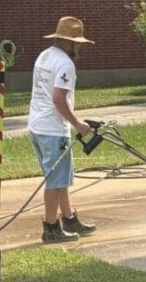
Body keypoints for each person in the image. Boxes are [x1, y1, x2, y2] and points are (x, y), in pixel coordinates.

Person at [27, 16, 98, 243]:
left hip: (37, 125)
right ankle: (50, 228)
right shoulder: (66, 63)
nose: (79, 47)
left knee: (61, 177)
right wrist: (77, 123)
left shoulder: (45, 55)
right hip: (53, 128)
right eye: (77, 43)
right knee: (55, 181)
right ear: (69, 41)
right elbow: (59, 98)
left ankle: (69, 218)